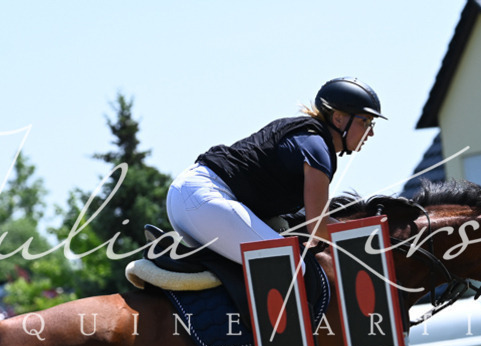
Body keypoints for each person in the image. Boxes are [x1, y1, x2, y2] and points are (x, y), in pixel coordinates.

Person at [165, 77, 385, 263]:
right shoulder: (317, 148)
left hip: (190, 198)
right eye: (365, 122)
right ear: (338, 118)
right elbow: (318, 225)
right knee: (289, 265)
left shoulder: (309, 137)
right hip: (205, 200)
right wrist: (372, 240)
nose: (371, 133)